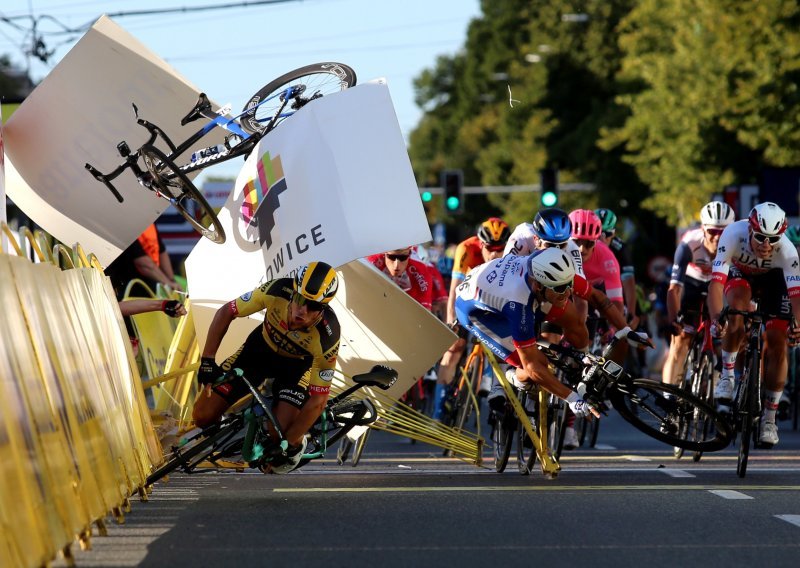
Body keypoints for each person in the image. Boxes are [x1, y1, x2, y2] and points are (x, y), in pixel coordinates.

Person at [192, 261, 340, 473]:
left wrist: (289, 443)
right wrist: (207, 360)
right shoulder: (276, 290)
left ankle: (296, 438)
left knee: (277, 434)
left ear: (322, 309)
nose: (302, 311)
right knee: (202, 416)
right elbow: (227, 311)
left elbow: (318, 400)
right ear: (293, 293)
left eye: (313, 307)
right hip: (258, 352)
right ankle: (232, 427)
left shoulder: (328, 336)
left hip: (296, 368)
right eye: (299, 300)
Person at [454, 247, 600, 420]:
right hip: (477, 311)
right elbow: (532, 366)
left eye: (570, 285)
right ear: (539, 285)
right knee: (534, 366)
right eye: (560, 288)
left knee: (574, 321)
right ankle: (513, 376)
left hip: (502, 285)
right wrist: (572, 398)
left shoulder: (550, 271)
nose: (568, 292)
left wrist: (624, 331)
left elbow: (595, 302)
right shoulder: (518, 304)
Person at [708, 202, 800, 447]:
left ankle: (769, 419)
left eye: (773, 239)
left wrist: (798, 325)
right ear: (750, 229)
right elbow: (716, 284)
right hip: (741, 274)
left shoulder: (789, 252)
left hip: (775, 281)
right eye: (760, 237)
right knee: (736, 308)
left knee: (778, 342)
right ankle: (727, 376)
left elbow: (796, 297)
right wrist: (718, 317)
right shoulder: (732, 235)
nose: (766, 245)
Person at [437, 217, 511, 416]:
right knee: (455, 347)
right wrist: (451, 320)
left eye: (500, 248)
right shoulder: (466, 249)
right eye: (489, 248)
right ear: (480, 243)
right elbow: (453, 290)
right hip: (467, 296)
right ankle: (437, 411)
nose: (494, 254)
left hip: (492, 300)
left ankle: (488, 376)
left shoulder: (512, 254)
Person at [661, 201, 734, 388]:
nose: (718, 238)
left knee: (729, 332)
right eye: (712, 232)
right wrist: (674, 319)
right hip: (692, 283)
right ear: (703, 229)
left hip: (719, 284)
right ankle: (669, 394)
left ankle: (719, 380)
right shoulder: (688, 244)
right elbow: (674, 289)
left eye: (723, 232)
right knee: (680, 341)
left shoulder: (737, 245)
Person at [105, 223, 184, 298]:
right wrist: (168, 283)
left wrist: (171, 281)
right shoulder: (126, 224)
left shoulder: (149, 220)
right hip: (129, 291)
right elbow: (143, 263)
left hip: (148, 289)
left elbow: (161, 251)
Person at [595, 208, 639, 329]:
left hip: (615, 287)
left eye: (606, 234)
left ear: (613, 233)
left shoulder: (620, 248)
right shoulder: (583, 244)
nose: (601, 239)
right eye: (597, 235)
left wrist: (631, 313)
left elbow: (629, 283)